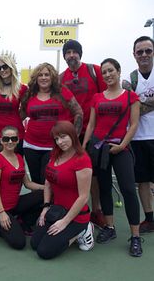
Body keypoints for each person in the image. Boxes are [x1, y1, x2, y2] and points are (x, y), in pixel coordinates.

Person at [83, 58, 142, 257]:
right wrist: (84, 147)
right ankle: (110, 228)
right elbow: (91, 125)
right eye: (105, 72)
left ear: (118, 71)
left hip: (120, 149)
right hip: (99, 148)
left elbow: (133, 125)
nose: (108, 75)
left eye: (111, 71)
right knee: (104, 188)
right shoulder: (97, 97)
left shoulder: (131, 97)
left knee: (128, 189)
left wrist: (122, 145)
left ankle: (135, 236)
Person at [60, 39, 107, 229]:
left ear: (80, 54)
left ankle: (96, 210)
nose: (71, 55)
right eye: (67, 52)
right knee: (68, 172)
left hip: (94, 132)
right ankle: (70, 209)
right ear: (64, 56)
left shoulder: (95, 71)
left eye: (74, 52)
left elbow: (107, 95)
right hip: (70, 134)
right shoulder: (61, 78)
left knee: (93, 174)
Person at [31, 121, 94, 259]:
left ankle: (83, 230)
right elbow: (48, 183)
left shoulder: (82, 160)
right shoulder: (54, 155)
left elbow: (84, 197)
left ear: (73, 135)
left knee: (44, 252)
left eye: (63, 136)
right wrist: (46, 207)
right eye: (57, 139)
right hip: (56, 210)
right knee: (34, 244)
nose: (60, 141)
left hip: (76, 216)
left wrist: (64, 222)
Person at [21, 62, 83, 185]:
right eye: (40, 75)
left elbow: (78, 112)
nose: (44, 78)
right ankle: (40, 204)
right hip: (31, 146)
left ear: (52, 77)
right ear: (36, 78)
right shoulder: (30, 94)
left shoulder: (62, 92)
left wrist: (73, 138)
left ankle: (49, 204)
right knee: (36, 181)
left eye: (47, 75)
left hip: (54, 145)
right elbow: (21, 115)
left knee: (49, 180)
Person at [0, 126, 44, 249]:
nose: (10, 142)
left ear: (18, 140)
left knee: (45, 195)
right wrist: (2, 213)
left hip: (15, 204)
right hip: (0, 209)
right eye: (6, 139)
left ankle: (23, 221)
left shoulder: (19, 157)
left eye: (13, 138)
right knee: (19, 243)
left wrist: (46, 187)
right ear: (1, 140)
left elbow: (27, 183)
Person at [122, 36, 154, 234]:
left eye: (148, 51)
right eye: (140, 52)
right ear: (134, 55)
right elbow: (131, 110)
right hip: (138, 137)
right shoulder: (132, 78)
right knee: (142, 180)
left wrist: (139, 105)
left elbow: (136, 107)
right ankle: (149, 218)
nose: (144, 55)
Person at [0, 53, 27, 159]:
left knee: (15, 168)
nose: (2, 70)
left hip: (16, 133)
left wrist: (15, 120)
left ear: (11, 68)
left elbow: (25, 110)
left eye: (4, 66)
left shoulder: (22, 89)